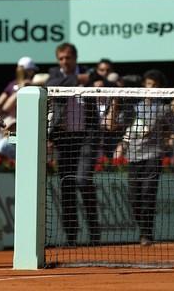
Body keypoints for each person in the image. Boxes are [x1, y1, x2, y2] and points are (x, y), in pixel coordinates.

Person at [106, 69, 174, 246]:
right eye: (148, 84)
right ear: (143, 85)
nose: (150, 88)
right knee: (134, 197)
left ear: (161, 88)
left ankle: (146, 234)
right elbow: (112, 125)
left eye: (155, 85)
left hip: (154, 156)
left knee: (148, 195)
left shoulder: (164, 109)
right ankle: (144, 230)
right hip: (134, 157)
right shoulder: (133, 108)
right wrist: (115, 98)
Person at [46, 43, 101, 246]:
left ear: (75, 58)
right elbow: (55, 85)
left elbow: (104, 81)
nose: (64, 62)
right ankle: (72, 236)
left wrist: (92, 81)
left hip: (87, 137)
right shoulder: (54, 76)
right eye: (61, 58)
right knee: (67, 186)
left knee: (83, 181)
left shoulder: (91, 74)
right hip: (63, 139)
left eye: (68, 58)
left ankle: (95, 232)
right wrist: (77, 80)